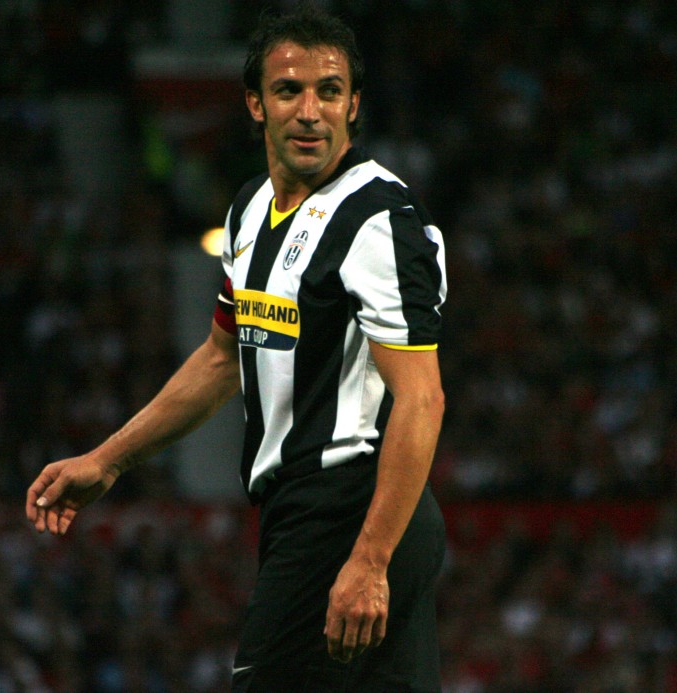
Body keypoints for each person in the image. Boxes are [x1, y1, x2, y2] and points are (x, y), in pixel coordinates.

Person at [25, 7, 447, 692]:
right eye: (288, 90)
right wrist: (107, 459)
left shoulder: (376, 220)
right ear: (255, 103)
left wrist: (370, 558)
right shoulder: (250, 209)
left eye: (329, 91)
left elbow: (421, 397)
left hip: (349, 509)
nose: (309, 111)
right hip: (302, 514)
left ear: (353, 105)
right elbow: (222, 359)